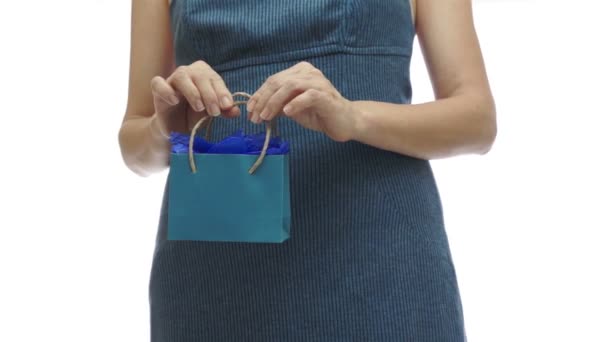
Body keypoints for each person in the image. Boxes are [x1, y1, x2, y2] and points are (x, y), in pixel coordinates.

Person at [118, 0, 496, 340]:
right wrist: (163, 128)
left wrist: (354, 117)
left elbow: (477, 120)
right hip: (213, 274)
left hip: (380, 259)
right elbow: (135, 147)